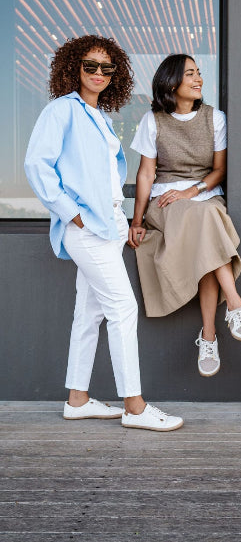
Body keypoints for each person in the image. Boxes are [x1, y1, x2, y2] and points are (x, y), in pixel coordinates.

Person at [24, 35, 183, 432]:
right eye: (90, 65)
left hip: (108, 227)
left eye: (106, 67)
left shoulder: (100, 117)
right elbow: (36, 165)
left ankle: (77, 400)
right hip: (87, 228)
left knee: (89, 313)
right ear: (72, 67)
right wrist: (71, 213)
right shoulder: (62, 110)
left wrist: (124, 220)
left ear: (116, 75)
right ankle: (135, 405)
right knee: (122, 309)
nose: (98, 73)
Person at [128, 53, 241, 377]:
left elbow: (220, 170)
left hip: (205, 196)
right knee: (207, 225)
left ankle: (209, 337)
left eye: (199, 73)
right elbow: (145, 174)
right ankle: (235, 307)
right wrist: (137, 219)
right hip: (166, 203)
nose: (199, 79)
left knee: (206, 223)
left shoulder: (215, 118)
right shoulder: (152, 120)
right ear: (172, 82)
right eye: (190, 74)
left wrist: (193, 191)